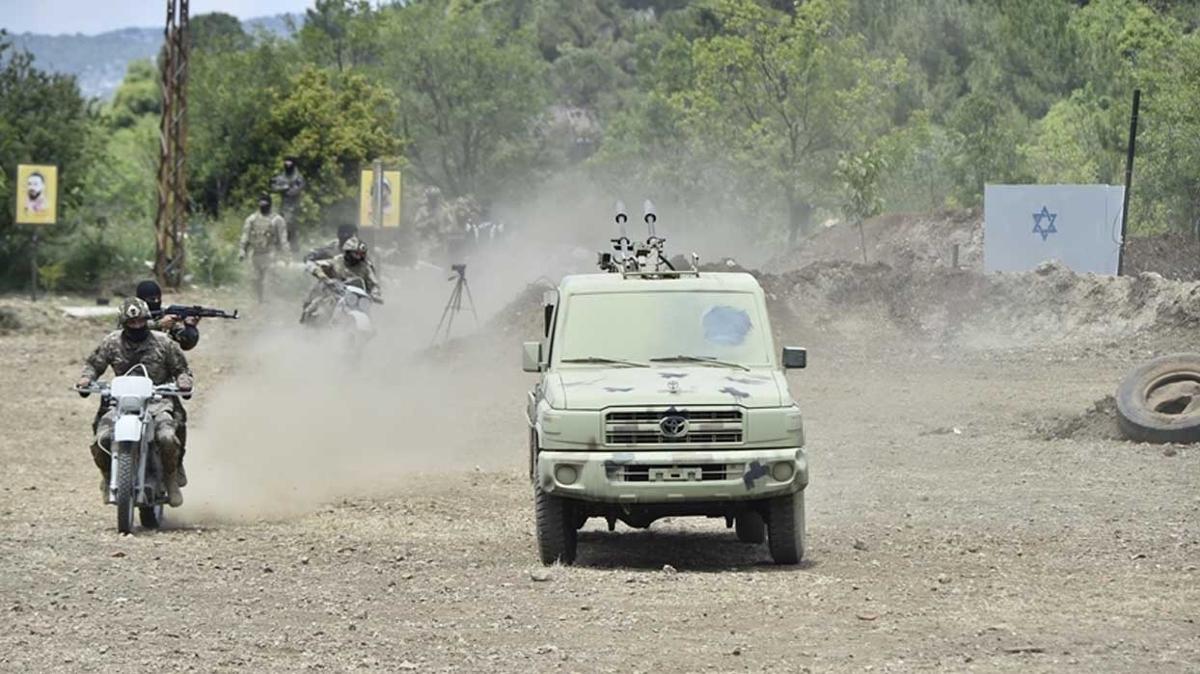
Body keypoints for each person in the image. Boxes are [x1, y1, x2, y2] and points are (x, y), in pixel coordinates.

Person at [77, 298, 193, 507]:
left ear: (147, 320)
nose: (137, 326)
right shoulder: (112, 342)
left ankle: (170, 477)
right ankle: (107, 476)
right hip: (121, 402)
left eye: (141, 321)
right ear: (123, 323)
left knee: (167, 436)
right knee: (101, 438)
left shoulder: (163, 342)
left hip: (158, 401)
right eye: (132, 323)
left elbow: (181, 369)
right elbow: (94, 365)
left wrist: (183, 381)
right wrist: (87, 378)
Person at [300, 237, 382, 324]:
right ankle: (313, 325)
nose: (359, 257)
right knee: (320, 309)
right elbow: (314, 266)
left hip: (356, 298)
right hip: (335, 293)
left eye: (362, 254)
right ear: (348, 252)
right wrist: (325, 278)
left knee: (368, 316)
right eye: (356, 254)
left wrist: (375, 293)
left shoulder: (365, 266)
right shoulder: (337, 261)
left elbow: (374, 283)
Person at [239, 193, 289, 302]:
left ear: (270, 205)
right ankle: (258, 300)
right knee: (255, 280)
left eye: (265, 204)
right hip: (255, 253)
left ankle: (271, 303)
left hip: (270, 253)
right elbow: (245, 235)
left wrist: (286, 255)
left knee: (269, 279)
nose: (263, 206)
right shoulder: (252, 219)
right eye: (261, 204)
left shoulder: (277, 220)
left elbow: (283, 239)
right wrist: (242, 250)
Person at [136, 279, 200, 351]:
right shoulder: (132, 315)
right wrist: (158, 324)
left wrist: (190, 327)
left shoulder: (164, 315)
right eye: (152, 299)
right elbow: (129, 331)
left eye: (159, 298)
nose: (156, 301)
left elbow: (186, 344)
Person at [271, 156, 305, 252]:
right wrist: (284, 188)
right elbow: (274, 187)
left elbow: (298, 189)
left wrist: (291, 190)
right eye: (286, 162)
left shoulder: (298, 177)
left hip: (293, 206)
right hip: (283, 206)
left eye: (289, 162)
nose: (287, 164)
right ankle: (284, 249)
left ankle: (291, 249)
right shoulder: (281, 177)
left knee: (288, 226)